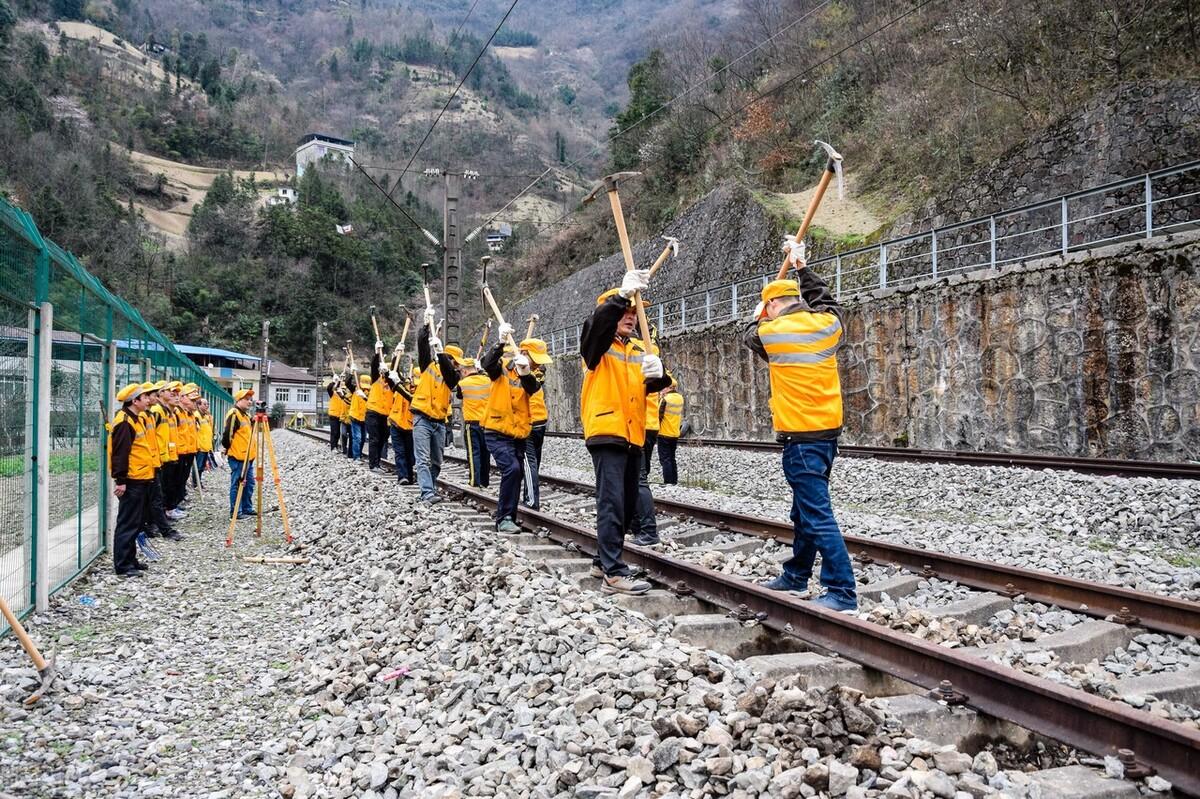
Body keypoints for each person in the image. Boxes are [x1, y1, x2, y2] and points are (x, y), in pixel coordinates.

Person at [744, 242, 856, 612]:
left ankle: (842, 590)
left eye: (768, 306)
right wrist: (803, 268)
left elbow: (748, 334)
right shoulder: (826, 326)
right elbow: (829, 303)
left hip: (800, 438)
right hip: (827, 435)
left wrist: (759, 315)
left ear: (772, 306)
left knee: (817, 513)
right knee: (803, 510)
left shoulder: (771, 333)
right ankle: (796, 575)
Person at [579, 270, 671, 595]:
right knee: (612, 502)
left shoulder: (637, 349)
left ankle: (602, 560)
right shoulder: (597, 347)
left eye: (635, 312)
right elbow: (595, 330)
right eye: (626, 312)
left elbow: (657, 385)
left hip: (634, 433)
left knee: (628, 503)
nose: (632, 317)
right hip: (607, 430)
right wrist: (619, 297)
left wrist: (659, 374)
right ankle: (614, 573)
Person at [480, 330, 548, 532]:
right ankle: (504, 519)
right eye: (534, 360)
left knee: (515, 473)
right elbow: (487, 365)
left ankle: (509, 515)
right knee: (512, 469)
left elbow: (533, 387)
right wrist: (499, 344)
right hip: (496, 429)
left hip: (519, 432)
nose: (537, 364)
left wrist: (525, 371)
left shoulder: (534, 373)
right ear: (524, 352)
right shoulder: (501, 368)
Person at [410, 312, 466, 504]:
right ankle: (426, 493)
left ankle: (431, 488)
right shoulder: (427, 366)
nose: (455, 365)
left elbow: (449, 376)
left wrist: (441, 353)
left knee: (436, 461)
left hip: (439, 422)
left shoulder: (454, 376)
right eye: (453, 361)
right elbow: (422, 347)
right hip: (422, 418)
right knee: (423, 459)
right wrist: (426, 328)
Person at [109, 382, 157, 576]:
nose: (148, 400)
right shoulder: (124, 422)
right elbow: (120, 454)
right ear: (134, 401)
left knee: (135, 522)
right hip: (132, 479)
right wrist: (120, 480)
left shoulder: (135, 419)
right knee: (127, 523)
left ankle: (130, 559)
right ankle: (122, 565)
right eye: (144, 397)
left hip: (140, 476)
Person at [521, 339, 552, 509]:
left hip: (530, 422)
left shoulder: (533, 373)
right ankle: (529, 496)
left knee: (529, 463)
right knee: (533, 463)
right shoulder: (538, 371)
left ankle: (531, 502)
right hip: (539, 422)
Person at [222, 388, 258, 520]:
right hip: (238, 456)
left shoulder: (245, 416)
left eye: (250, 400)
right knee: (237, 483)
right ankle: (236, 512)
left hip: (248, 456)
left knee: (249, 484)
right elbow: (227, 436)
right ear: (239, 400)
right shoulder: (234, 414)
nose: (249, 402)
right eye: (246, 399)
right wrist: (229, 449)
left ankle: (247, 508)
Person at [457, 359, 492, 488]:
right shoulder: (488, 380)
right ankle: (484, 481)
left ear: (464, 370)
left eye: (461, 371)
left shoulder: (462, 383)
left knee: (473, 453)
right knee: (485, 453)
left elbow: (460, 396)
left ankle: (474, 481)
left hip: (471, 423)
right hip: (487, 423)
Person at [386, 364, 417, 485]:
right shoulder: (400, 387)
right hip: (396, 423)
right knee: (400, 452)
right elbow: (393, 377)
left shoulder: (418, 392)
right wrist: (394, 360)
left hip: (411, 426)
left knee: (410, 454)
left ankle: (409, 476)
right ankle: (402, 476)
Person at [365, 343, 394, 471]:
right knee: (374, 438)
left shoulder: (392, 383)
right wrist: (377, 353)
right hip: (373, 412)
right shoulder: (376, 379)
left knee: (383, 439)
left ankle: (377, 462)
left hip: (385, 415)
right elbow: (373, 367)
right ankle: (373, 464)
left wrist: (393, 360)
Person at [657, 380, 684, 485]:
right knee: (672, 458)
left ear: (669, 387)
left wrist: (660, 398)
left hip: (664, 433)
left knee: (665, 459)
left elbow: (658, 415)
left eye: (663, 387)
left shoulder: (665, 399)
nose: (662, 389)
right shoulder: (680, 398)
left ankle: (667, 482)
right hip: (675, 433)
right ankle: (674, 481)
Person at [348, 373, 369, 461]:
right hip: (355, 416)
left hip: (364, 418)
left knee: (363, 438)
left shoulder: (370, 392)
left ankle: (359, 454)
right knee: (357, 437)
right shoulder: (355, 389)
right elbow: (347, 383)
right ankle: (356, 457)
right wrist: (351, 374)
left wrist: (365, 397)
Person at [194, 397, 214, 488]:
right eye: (204, 404)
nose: (207, 406)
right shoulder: (196, 416)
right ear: (198, 405)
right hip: (200, 446)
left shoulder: (206, 417)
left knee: (201, 466)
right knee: (198, 466)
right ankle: (196, 483)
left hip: (206, 445)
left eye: (207, 404)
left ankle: (199, 481)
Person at [326, 378, 347, 451]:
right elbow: (329, 388)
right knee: (334, 432)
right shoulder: (333, 394)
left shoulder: (344, 396)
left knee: (338, 433)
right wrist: (334, 381)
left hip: (341, 416)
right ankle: (333, 447)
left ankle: (337, 446)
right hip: (334, 415)